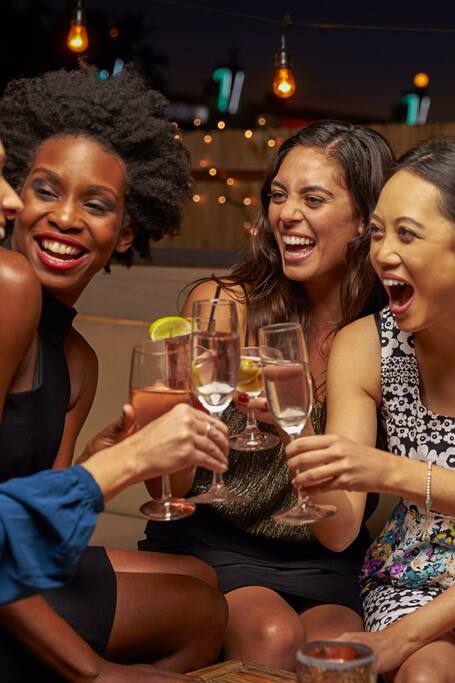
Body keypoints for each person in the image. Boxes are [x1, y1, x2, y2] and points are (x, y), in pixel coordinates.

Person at [0, 68, 228, 681]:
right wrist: (95, 671)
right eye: (46, 191)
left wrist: (98, 464)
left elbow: (43, 538)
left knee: (203, 580)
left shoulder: (78, 360)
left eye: (95, 204)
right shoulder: (7, 285)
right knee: (201, 616)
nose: (65, 217)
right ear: (17, 198)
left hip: (11, 560)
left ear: (125, 231)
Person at [140, 120, 394, 669]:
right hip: (215, 541)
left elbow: (339, 531)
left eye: (313, 199)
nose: (287, 214)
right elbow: (174, 486)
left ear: (363, 221)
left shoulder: (379, 339)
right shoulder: (223, 306)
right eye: (279, 195)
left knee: (337, 655)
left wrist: (292, 428)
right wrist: (172, 416)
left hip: (322, 554)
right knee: (272, 634)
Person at [285, 136, 455, 683]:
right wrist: (299, 436)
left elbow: (381, 471)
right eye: (378, 232)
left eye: (407, 233)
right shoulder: (365, 346)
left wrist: (388, 470)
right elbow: (339, 531)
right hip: (416, 577)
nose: (382, 254)